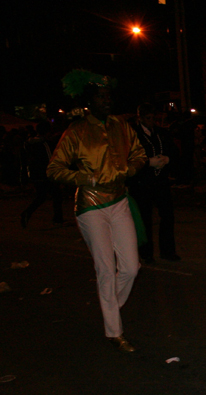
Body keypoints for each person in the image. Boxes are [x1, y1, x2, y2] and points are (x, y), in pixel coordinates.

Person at [47, 70, 148, 352]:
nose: (107, 100)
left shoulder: (121, 125)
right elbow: (53, 169)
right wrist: (82, 177)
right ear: (90, 102)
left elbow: (139, 154)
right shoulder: (77, 131)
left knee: (131, 267)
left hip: (119, 201)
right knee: (105, 268)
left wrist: (132, 168)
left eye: (108, 96)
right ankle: (115, 332)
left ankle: (109, 308)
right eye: (101, 97)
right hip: (91, 206)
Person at [128, 104, 180, 263]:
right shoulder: (133, 134)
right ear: (141, 118)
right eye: (148, 118)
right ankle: (146, 253)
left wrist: (167, 159)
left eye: (154, 118)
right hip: (142, 182)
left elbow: (173, 151)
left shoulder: (161, 133)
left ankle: (167, 250)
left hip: (160, 180)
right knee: (145, 218)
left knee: (167, 215)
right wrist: (147, 163)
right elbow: (128, 158)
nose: (152, 122)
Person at [21, 121, 64, 228]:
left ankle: (27, 213)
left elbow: (24, 160)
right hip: (45, 173)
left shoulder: (28, 143)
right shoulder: (45, 144)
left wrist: (25, 174)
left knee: (41, 196)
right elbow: (51, 159)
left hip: (34, 173)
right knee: (56, 195)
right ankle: (58, 219)